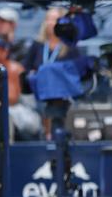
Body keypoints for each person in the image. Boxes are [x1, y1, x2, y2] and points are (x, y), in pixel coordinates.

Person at [22, 7, 81, 140]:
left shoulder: (70, 46)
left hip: (62, 97)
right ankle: (44, 135)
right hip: (39, 96)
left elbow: (76, 72)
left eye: (54, 19)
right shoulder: (37, 45)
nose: (49, 23)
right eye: (47, 19)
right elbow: (25, 68)